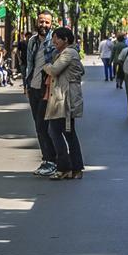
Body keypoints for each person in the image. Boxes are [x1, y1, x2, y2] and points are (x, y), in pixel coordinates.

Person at [43, 27, 86, 180]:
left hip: (64, 100)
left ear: (65, 40)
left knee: (54, 131)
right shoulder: (65, 53)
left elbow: (54, 70)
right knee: (68, 134)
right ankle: (75, 168)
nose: (54, 42)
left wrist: (45, 65)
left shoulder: (69, 53)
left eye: (56, 38)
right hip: (63, 99)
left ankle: (65, 167)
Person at [23, 11, 57, 177]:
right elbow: (29, 64)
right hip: (33, 88)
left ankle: (50, 160)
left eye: (47, 22)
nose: (43, 25)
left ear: (52, 24)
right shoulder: (32, 41)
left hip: (46, 90)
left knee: (42, 127)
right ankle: (49, 159)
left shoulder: (54, 42)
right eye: (41, 22)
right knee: (39, 126)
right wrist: (26, 85)